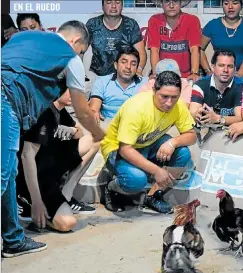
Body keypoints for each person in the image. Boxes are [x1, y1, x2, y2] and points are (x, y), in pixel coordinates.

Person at [1, 21, 105, 258]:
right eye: (81, 51)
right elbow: (82, 111)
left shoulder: (21, 38)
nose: (79, 57)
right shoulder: (69, 56)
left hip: (8, 100)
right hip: (5, 98)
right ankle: (14, 238)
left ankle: (13, 240)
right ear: (75, 42)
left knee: (5, 174)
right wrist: (98, 133)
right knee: (2, 176)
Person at [100, 71, 197, 213]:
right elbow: (125, 149)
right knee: (137, 180)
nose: (169, 103)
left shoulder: (178, 106)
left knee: (183, 153)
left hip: (148, 143)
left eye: (174, 97)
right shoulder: (136, 108)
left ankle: (153, 196)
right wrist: (157, 170)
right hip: (117, 150)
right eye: (164, 97)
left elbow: (192, 136)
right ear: (154, 90)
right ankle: (111, 188)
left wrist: (172, 143)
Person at [16, 90, 99, 231]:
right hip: (38, 176)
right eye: (71, 90)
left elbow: (80, 133)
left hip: (53, 163)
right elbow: (26, 156)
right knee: (67, 223)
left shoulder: (60, 110)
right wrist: (37, 201)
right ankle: (28, 203)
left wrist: (72, 130)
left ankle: (66, 195)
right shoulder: (43, 111)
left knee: (95, 140)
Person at [86, 0, 146, 77]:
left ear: (122, 6)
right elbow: (81, 50)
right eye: (109, 2)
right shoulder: (92, 24)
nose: (113, 6)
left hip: (124, 75)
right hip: (96, 75)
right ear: (102, 6)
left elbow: (141, 52)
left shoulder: (131, 24)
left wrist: (139, 70)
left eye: (117, 2)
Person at [200, 0, 243, 74]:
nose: (230, 7)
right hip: (219, 74)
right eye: (226, 3)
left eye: (235, 3)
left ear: (241, 5)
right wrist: (208, 71)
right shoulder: (212, 25)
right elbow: (199, 49)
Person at [147, 0, 201, 81]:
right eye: (167, 1)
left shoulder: (192, 20)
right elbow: (154, 50)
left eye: (175, 1)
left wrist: (194, 73)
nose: (171, 6)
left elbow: (194, 49)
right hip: (162, 75)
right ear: (161, 3)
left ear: (181, 3)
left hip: (186, 76)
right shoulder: (154, 20)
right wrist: (155, 73)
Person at [89, 47, 147, 123]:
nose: (128, 67)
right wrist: (94, 112)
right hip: (107, 123)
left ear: (136, 68)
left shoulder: (145, 83)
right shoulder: (102, 81)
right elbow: (94, 108)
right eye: (124, 62)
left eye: (133, 64)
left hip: (135, 125)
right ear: (116, 65)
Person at [190, 50, 243, 126]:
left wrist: (218, 118)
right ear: (212, 67)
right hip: (205, 128)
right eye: (221, 65)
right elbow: (193, 113)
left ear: (235, 69)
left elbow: (241, 118)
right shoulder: (200, 85)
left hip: (232, 130)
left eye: (230, 66)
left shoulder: (241, 86)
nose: (225, 70)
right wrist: (198, 116)